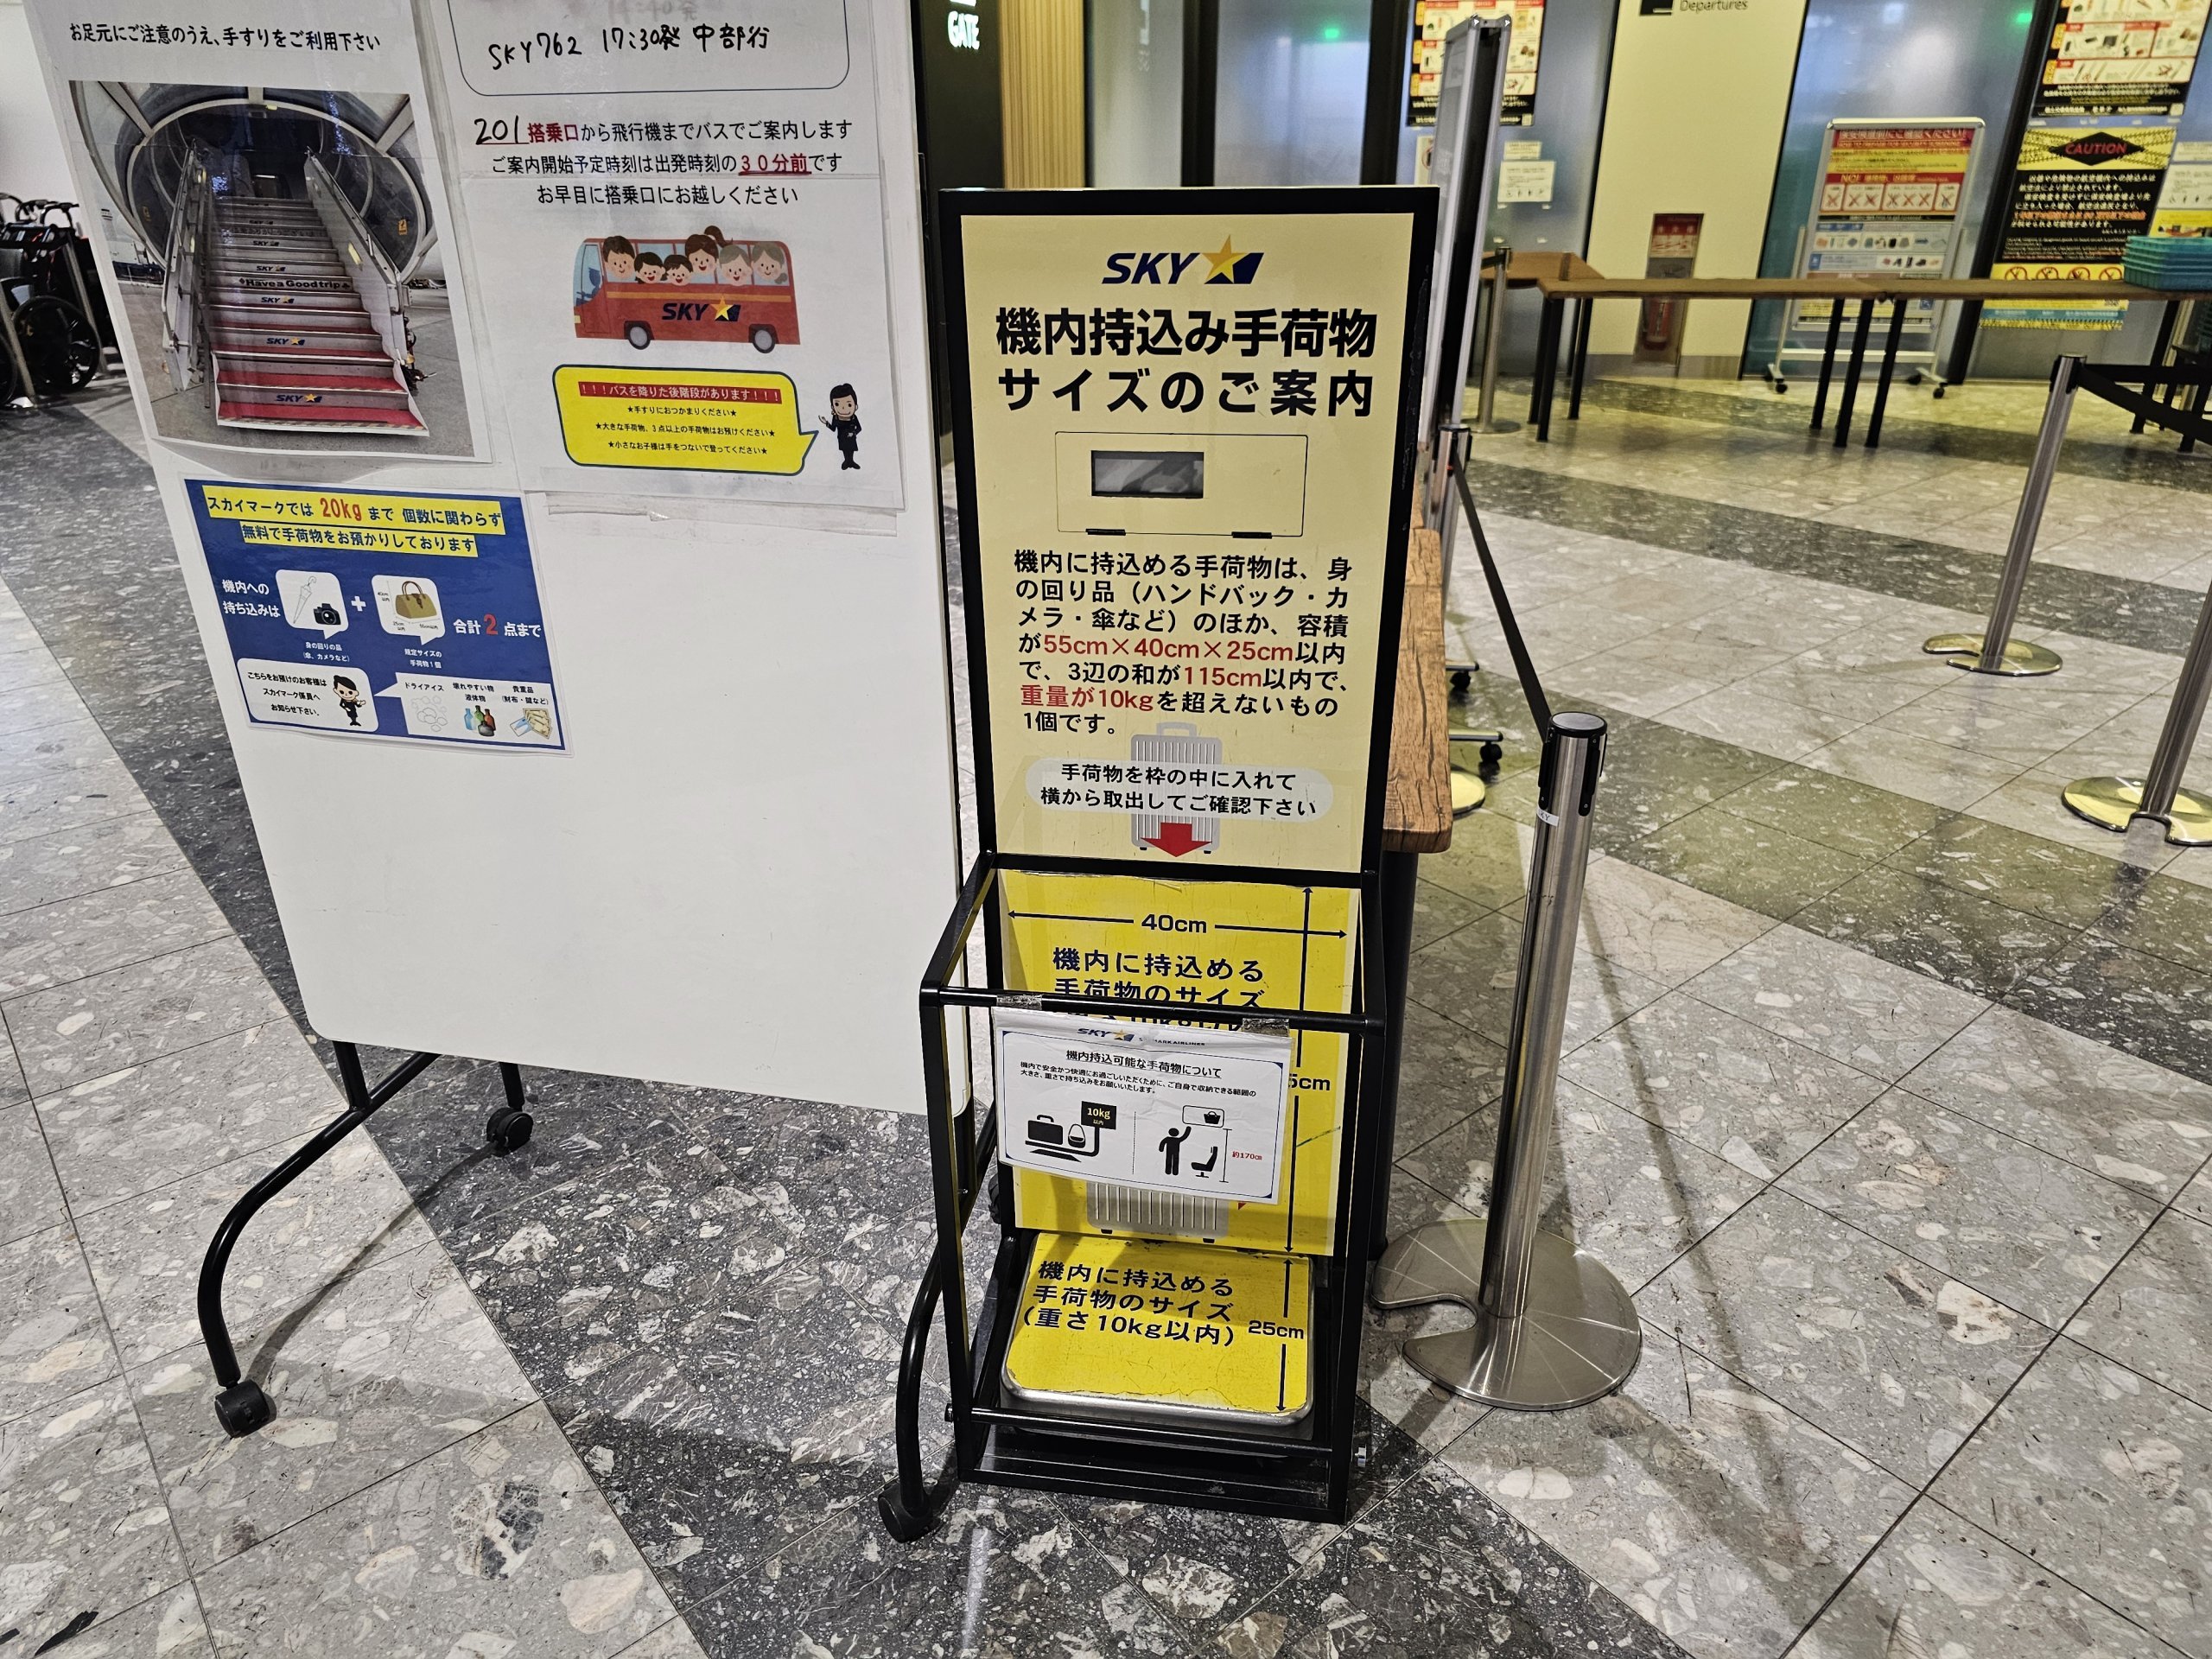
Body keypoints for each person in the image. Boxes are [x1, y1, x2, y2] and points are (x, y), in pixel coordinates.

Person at [820, 383, 861, 470]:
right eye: (837, 404)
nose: (843, 408)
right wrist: (826, 423)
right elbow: (833, 429)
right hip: (842, 438)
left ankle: (851, 461)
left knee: (851, 450)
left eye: (849, 405)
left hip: (851, 438)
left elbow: (859, 428)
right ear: (833, 407)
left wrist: (853, 433)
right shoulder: (836, 418)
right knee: (845, 450)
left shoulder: (854, 417)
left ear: (856, 406)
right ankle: (847, 461)